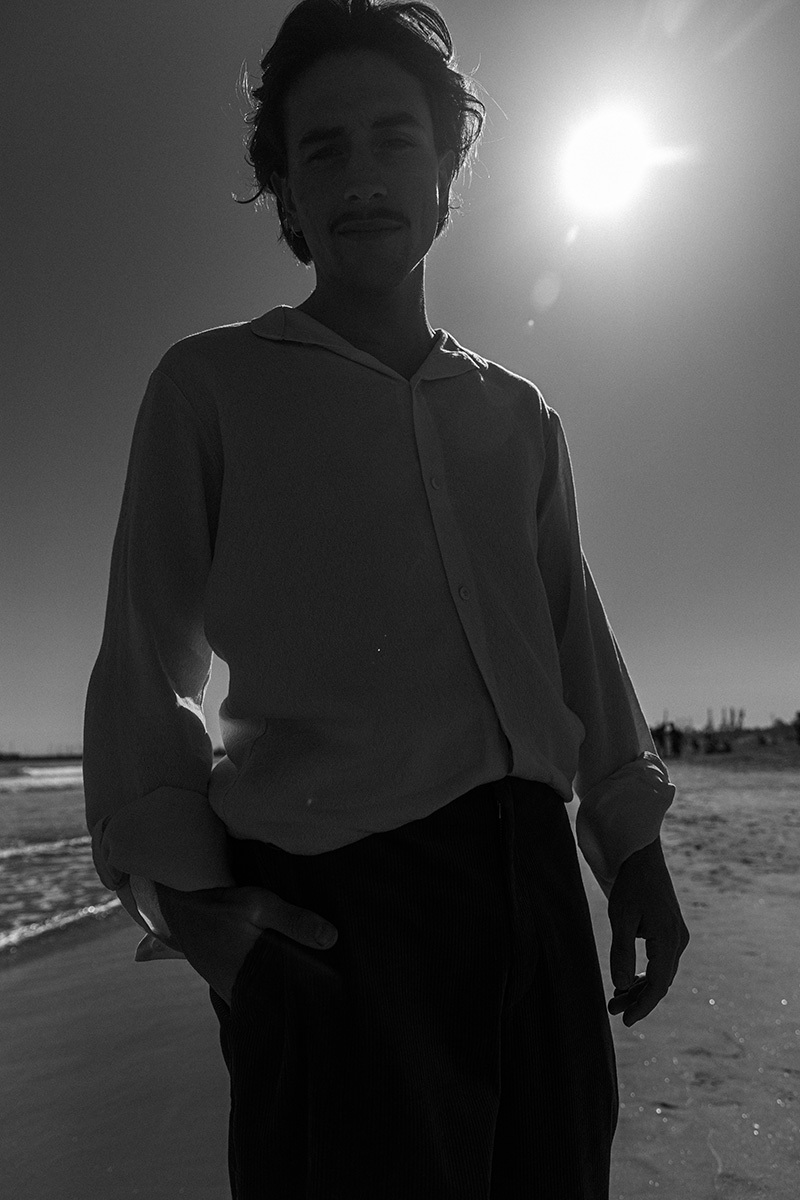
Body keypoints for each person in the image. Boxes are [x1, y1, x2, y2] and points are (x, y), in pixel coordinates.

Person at [83, 2, 690, 1197]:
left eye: (392, 139)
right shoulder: (210, 388)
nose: (361, 175)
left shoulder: (517, 418)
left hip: (532, 906)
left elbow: (573, 639)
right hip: (334, 917)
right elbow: (146, 665)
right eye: (323, 150)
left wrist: (633, 855)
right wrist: (188, 912)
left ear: (447, 170)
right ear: (286, 195)